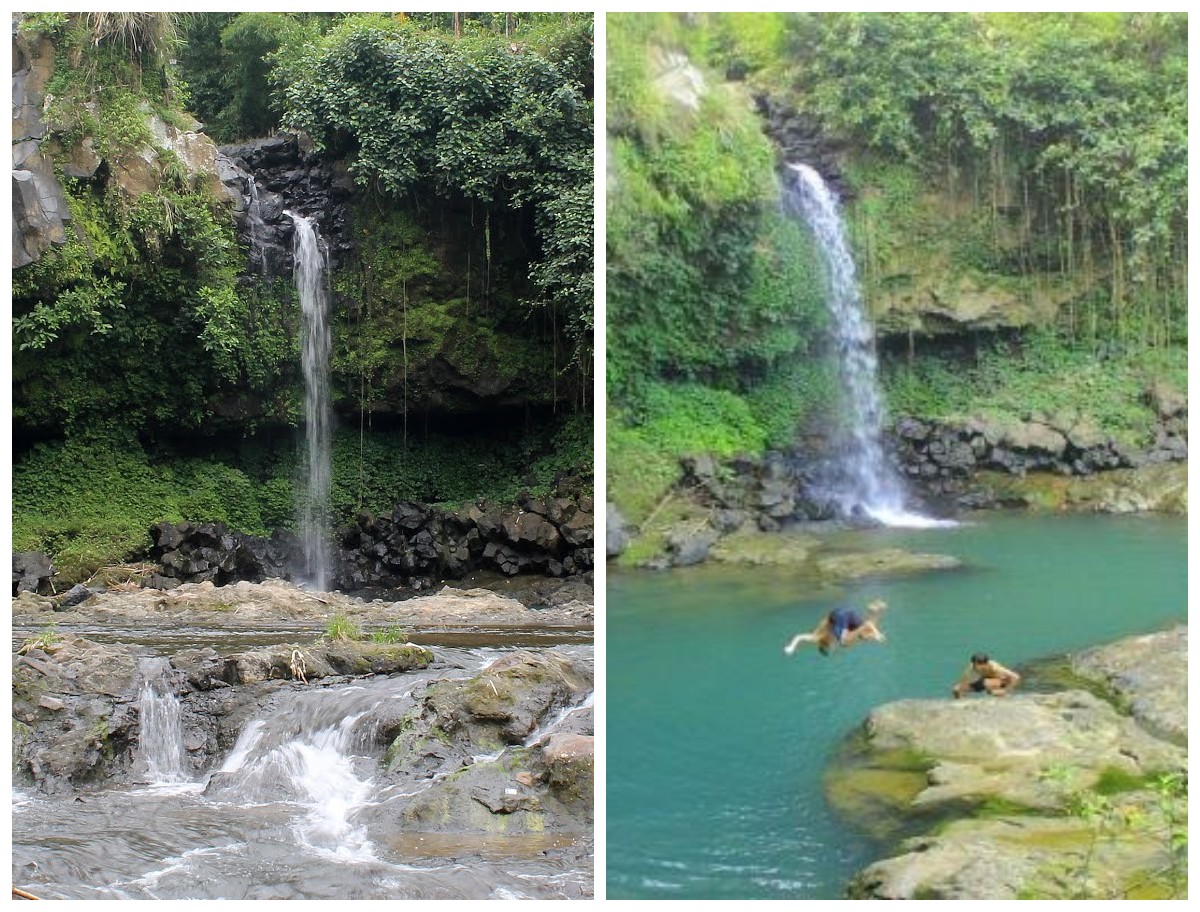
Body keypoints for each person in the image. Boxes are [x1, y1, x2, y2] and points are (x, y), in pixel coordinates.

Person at [784, 599, 887, 657]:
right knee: (863, 635)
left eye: (831, 648)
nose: (834, 647)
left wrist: (791, 647)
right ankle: (875, 611)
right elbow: (861, 636)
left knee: (844, 642)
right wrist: (875, 635)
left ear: (826, 646)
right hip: (847, 614)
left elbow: (799, 637)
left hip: (838, 615)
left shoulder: (817, 638)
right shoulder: (832, 636)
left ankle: (870, 624)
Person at [952, 652, 1021, 698]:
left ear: (986, 664)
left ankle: (1001, 694)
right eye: (975, 665)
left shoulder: (994, 667)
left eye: (979, 666)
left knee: (987, 685)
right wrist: (961, 692)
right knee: (956, 689)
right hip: (985, 682)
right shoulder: (971, 667)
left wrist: (1006, 691)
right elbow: (963, 682)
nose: (977, 668)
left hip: (1001, 682)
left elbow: (1016, 677)